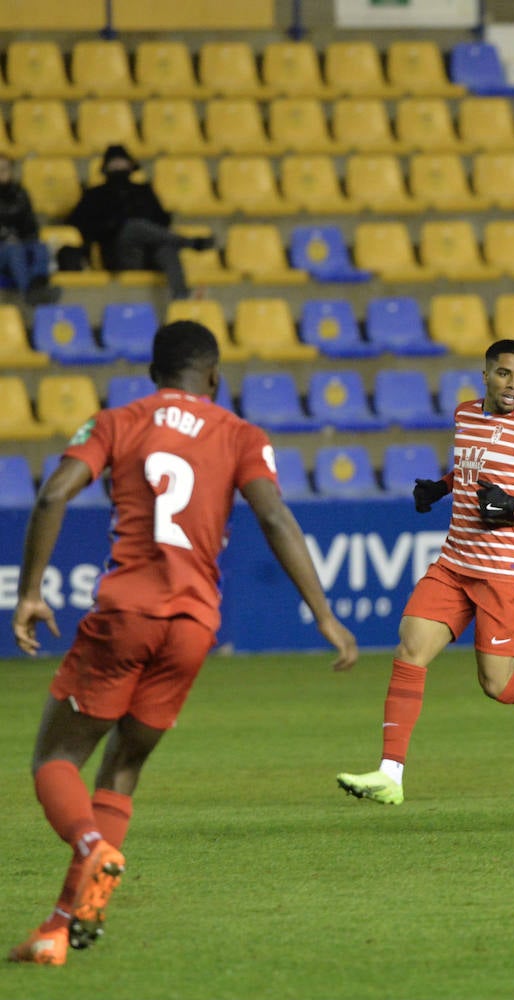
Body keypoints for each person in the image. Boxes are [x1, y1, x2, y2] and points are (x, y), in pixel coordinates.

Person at [8, 321, 358, 967]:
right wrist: (324, 614)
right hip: (193, 627)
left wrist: (31, 592)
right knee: (125, 768)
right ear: (215, 377)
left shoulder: (118, 420)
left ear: (153, 372)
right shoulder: (242, 435)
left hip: (128, 612)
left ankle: (91, 847)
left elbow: (55, 492)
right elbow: (275, 515)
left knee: (54, 758)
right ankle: (61, 928)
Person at [336, 339, 514, 806]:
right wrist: (441, 488)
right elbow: (468, 467)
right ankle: (391, 775)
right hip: (455, 562)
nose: (513, 385)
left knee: (497, 684)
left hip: (503, 573)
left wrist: (513, 506)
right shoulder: (465, 413)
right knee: (410, 649)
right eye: (504, 374)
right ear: (485, 374)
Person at [66, 144, 212, 301]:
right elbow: (77, 222)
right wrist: (111, 226)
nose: (118, 166)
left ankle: (181, 297)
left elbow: (163, 220)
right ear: (106, 166)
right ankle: (187, 242)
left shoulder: (144, 191)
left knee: (165, 248)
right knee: (132, 227)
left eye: (121, 161)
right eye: (114, 162)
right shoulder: (94, 195)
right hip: (120, 254)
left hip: (150, 254)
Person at [0, 155, 59, 305]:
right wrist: (6, 236)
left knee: (40, 247)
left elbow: (31, 227)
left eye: (4, 169)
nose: (1, 172)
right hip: (5, 249)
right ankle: (29, 292)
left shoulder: (20, 194)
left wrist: (23, 235)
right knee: (13, 249)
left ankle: (39, 285)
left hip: (20, 243)